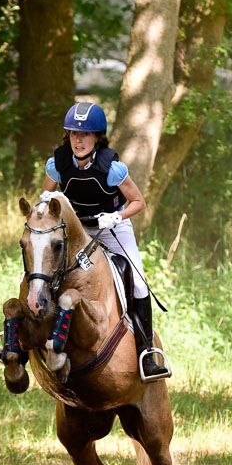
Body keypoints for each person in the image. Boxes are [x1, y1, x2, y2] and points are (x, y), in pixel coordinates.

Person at [41, 101, 170, 381]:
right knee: (41, 267)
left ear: (98, 136)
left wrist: (117, 216)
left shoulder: (112, 168)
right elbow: (45, 197)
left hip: (112, 228)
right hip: (76, 229)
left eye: (86, 134)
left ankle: (147, 352)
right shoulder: (58, 163)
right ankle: (19, 338)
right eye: (74, 133)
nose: (79, 139)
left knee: (137, 280)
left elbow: (139, 202)